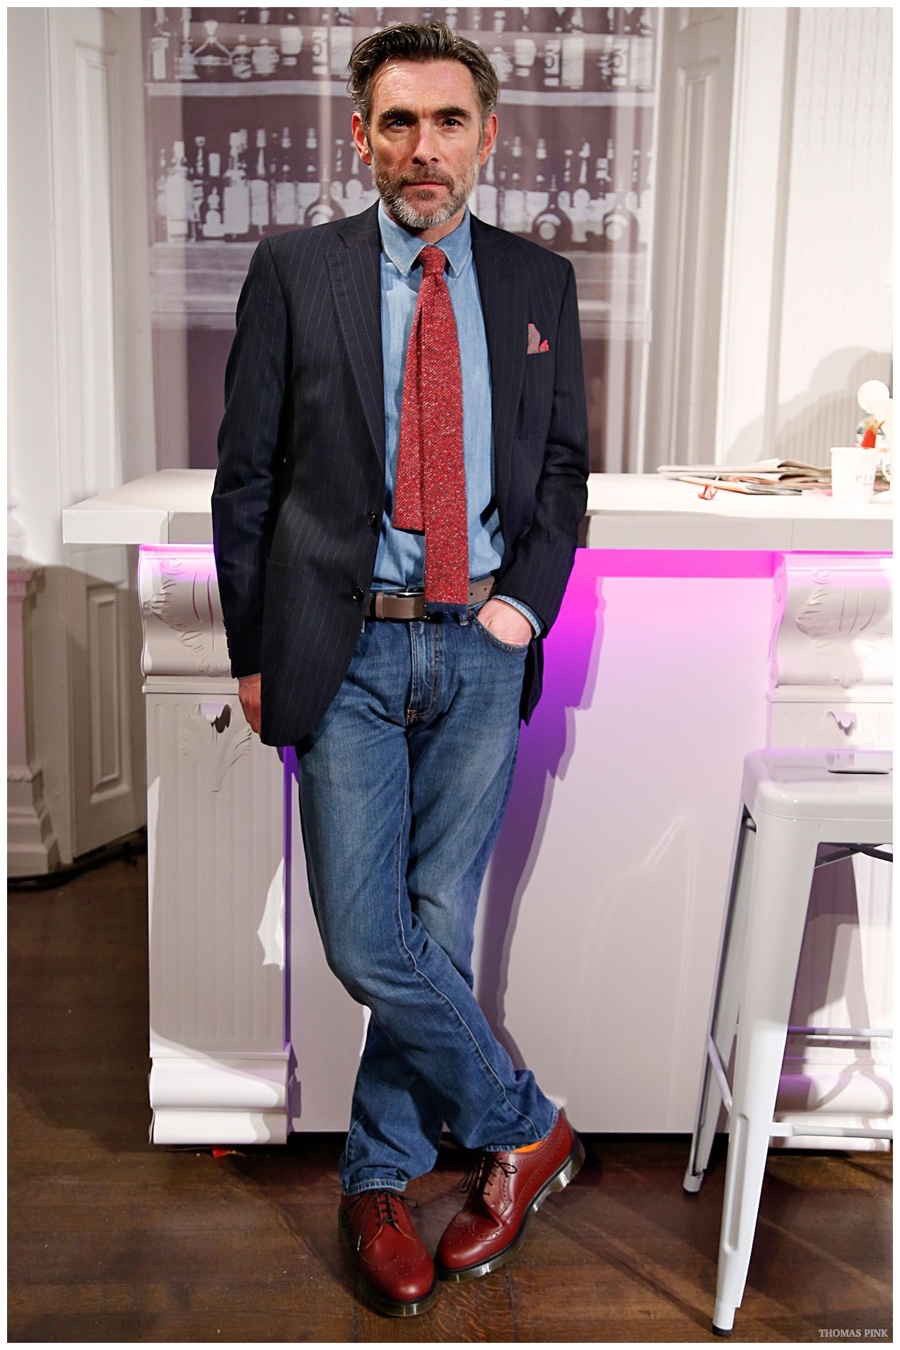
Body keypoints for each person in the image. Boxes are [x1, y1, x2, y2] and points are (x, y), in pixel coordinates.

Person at [212, 21, 590, 1319]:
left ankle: (377, 1183)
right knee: (369, 937)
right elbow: (248, 478)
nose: (424, 147)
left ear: (488, 135)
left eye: (447, 121)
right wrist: (254, 649)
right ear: (361, 137)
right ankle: (526, 1125)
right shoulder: (295, 270)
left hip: (480, 648)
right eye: (397, 122)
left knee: (432, 929)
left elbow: (560, 472)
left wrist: (524, 607)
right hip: (347, 647)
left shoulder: (539, 282)